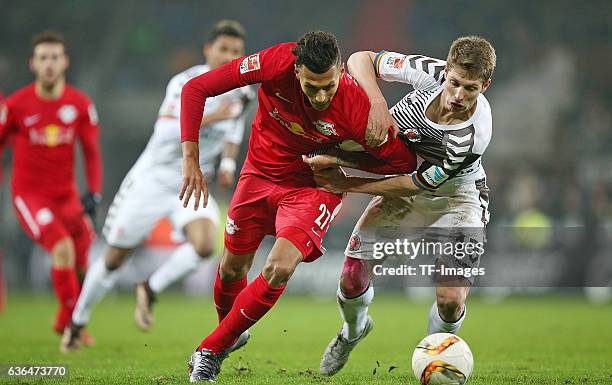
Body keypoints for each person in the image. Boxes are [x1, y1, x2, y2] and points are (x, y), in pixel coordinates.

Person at [179, 30, 417, 382]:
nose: (321, 96)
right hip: (258, 174)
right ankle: (231, 332)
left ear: (340, 71)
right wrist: (191, 161)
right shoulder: (274, 62)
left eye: (329, 86)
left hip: (312, 187)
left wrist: (342, 168)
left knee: (279, 267)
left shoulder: (356, 108)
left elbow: (403, 165)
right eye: (311, 87)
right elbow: (195, 89)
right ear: (296, 72)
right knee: (232, 269)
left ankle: (210, 350)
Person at [303, 36, 496, 376]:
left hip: (458, 196)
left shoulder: (471, 137)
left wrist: (348, 184)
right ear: (446, 70)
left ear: (485, 85)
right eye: (454, 83)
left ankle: (438, 354)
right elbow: (361, 59)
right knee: (351, 278)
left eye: (471, 89)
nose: (458, 96)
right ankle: (353, 330)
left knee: (451, 299)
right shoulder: (427, 71)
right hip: (407, 183)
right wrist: (377, 104)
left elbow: (414, 183)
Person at [60, 20, 253, 352]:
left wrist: (226, 164)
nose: (229, 56)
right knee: (115, 258)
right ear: (208, 50)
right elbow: (165, 132)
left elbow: (235, 130)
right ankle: (77, 323)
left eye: (236, 51)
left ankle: (149, 288)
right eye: (223, 49)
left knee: (206, 244)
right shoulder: (184, 83)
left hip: (191, 182)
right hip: (152, 179)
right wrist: (214, 116)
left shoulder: (242, 90)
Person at [0, 31, 103, 344]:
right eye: (43, 58)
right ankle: (71, 328)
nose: (49, 64)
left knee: (84, 259)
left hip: (67, 196)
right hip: (29, 196)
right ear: (33, 63)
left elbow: (91, 151)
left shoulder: (80, 105)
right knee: (62, 249)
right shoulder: (16, 105)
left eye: (54, 57)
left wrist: (94, 191)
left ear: (64, 62)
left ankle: (68, 319)